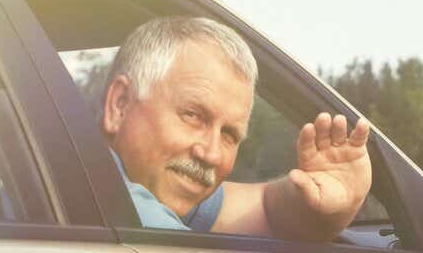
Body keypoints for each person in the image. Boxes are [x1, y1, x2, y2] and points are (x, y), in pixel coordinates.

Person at [100, 16, 370, 241]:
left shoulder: (113, 181)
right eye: (192, 115)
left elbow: (265, 210)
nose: (212, 154)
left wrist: (327, 202)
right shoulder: (119, 206)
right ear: (120, 105)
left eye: (229, 134)